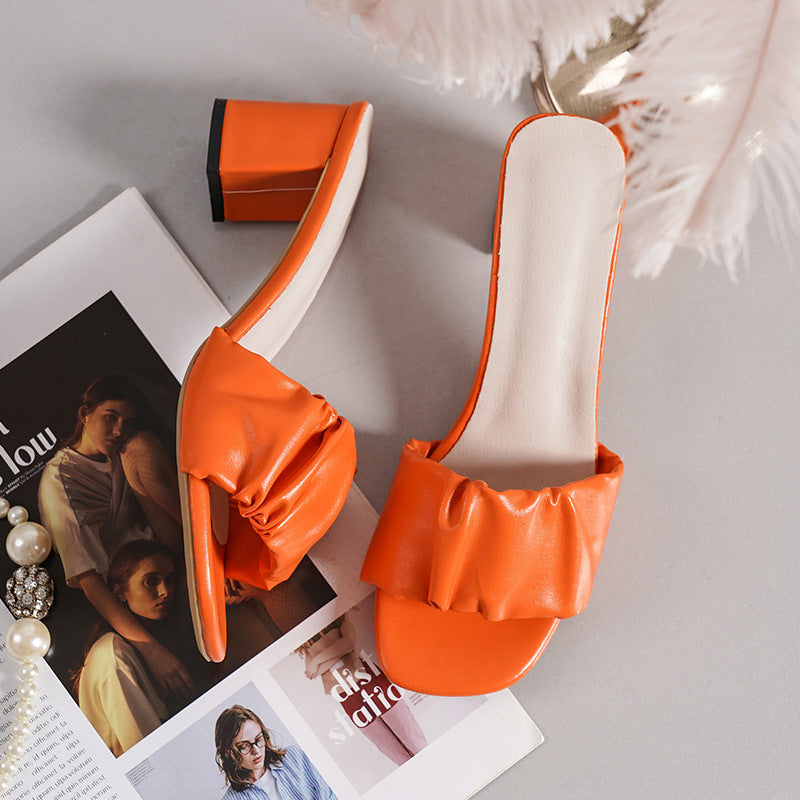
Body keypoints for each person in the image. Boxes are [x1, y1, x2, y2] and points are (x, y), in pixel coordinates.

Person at [38, 375, 193, 698]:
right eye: (110, 418)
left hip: (168, 558)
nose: (119, 430)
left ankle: (208, 553)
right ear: (85, 414)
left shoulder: (124, 451)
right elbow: (90, 582)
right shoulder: (60, 480)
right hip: (134, 593)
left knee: (140, 445)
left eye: (127, 421)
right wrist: (152, 651)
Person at [76, 539, 209, 755]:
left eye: (170, 580)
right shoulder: (112, 655)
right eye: (151, 581)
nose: (165, 591)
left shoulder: (165, 643)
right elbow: (148, 756)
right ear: (120, 592)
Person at [297, 613, 427, 766]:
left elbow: (348, 642)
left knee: (411, 734)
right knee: (388, 747)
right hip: (345, 694)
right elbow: (312, 672)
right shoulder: (305, 645)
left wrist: (318, 660)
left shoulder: (338, 620)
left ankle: (431, 764)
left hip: (368, 677)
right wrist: (339, 649)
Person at [215, 705, 337, 799]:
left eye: (258, 739)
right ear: (228, 753)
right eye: (244, 746)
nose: (256, 750)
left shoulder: (296, 757)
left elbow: (331, 795)